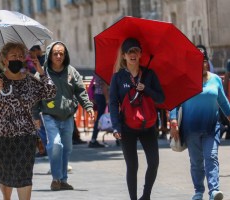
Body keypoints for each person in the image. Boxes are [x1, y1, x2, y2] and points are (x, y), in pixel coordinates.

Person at [0, 42, 56, 200]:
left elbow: (50, 92)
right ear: (4, 60)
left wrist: (41, 71)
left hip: (25, 135)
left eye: (20, 56)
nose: (17, 59)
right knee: (5, 174)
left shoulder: (29, 81)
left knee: (24, 174)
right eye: (13, 56)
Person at [33, 41, 94, 191]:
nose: (59, 56)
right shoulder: (42, 73)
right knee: (55, 144)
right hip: (49, 116)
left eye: (61, 53)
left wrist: (88, 106)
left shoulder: (72, 72)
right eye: (55, 53)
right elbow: (35, 96)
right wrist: (35, 116)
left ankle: (63, 180)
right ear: (49, 55)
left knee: (66, 148)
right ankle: (56, 179)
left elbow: (80, 91)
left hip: (67, 117)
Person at [170, 49, 230, 200]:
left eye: (202, 61)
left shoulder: (216, 80)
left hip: (211, 127)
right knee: (196, 162)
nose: (200, 64)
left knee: (211, 156)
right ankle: (198, 191)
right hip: (191, 128)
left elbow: (223, 102)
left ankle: (214, 190)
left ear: (206, 62)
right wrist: (173, 120)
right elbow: (175, 102)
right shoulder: (184, 80)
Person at [109, 38, 165, 200]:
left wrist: (146, 89)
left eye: (136, 51)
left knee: (154, 163)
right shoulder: (118, 77)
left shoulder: (149, 74)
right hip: (127, 127)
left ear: (141, 54)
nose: (133, 55)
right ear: (124, 56)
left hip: (148, 126)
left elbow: (161, 98)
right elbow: (113, 103)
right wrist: (116, 127)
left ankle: (146, 196)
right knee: (132, 166)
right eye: (129, 52)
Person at [89, 74, 109, 148]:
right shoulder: (104, 72)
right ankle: (93, 140)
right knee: (107, 117)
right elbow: (104, 86)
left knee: (99, 118)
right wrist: (107, 99)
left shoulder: (97, 71)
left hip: (97, 95)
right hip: (102, 96)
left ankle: (93, 139)